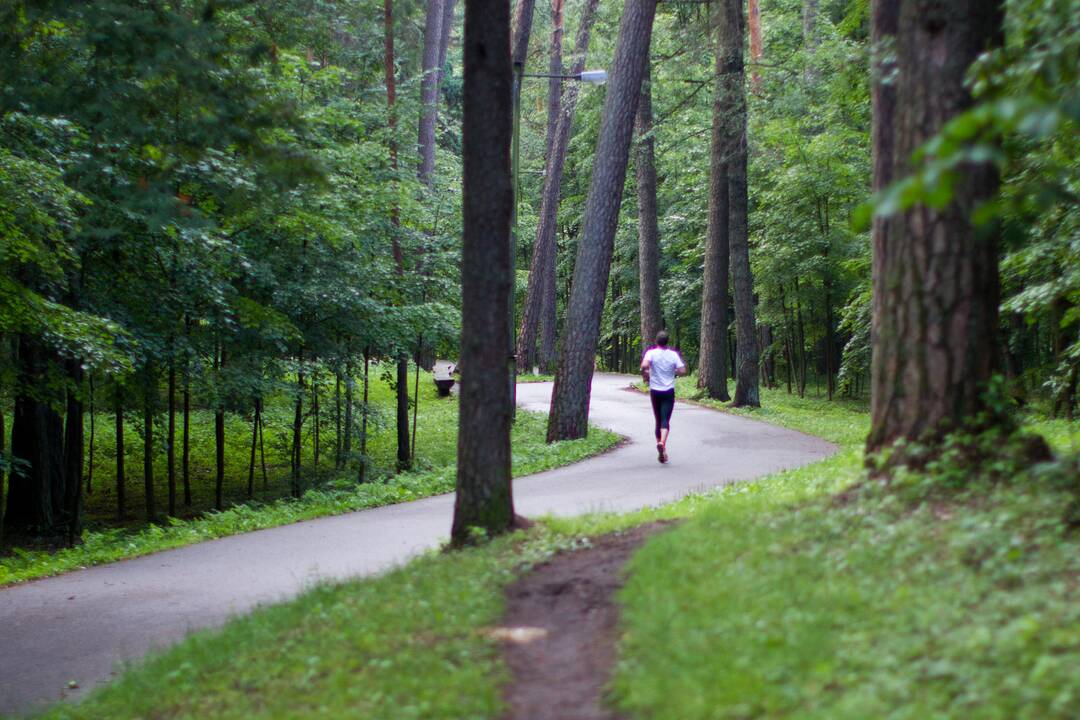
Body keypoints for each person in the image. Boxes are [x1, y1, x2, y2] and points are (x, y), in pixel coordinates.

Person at [640, 330, 687, 463]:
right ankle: (662, 443)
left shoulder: (651, 353)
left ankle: (662, 450)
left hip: (655, 390)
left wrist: (647, 373)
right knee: (665, 419)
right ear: (667, 342)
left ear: (656, 341)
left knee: (658, 419)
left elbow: (644, 366)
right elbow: (683, 370)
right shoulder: (673, 355)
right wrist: (674, 371)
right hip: (668, 390)